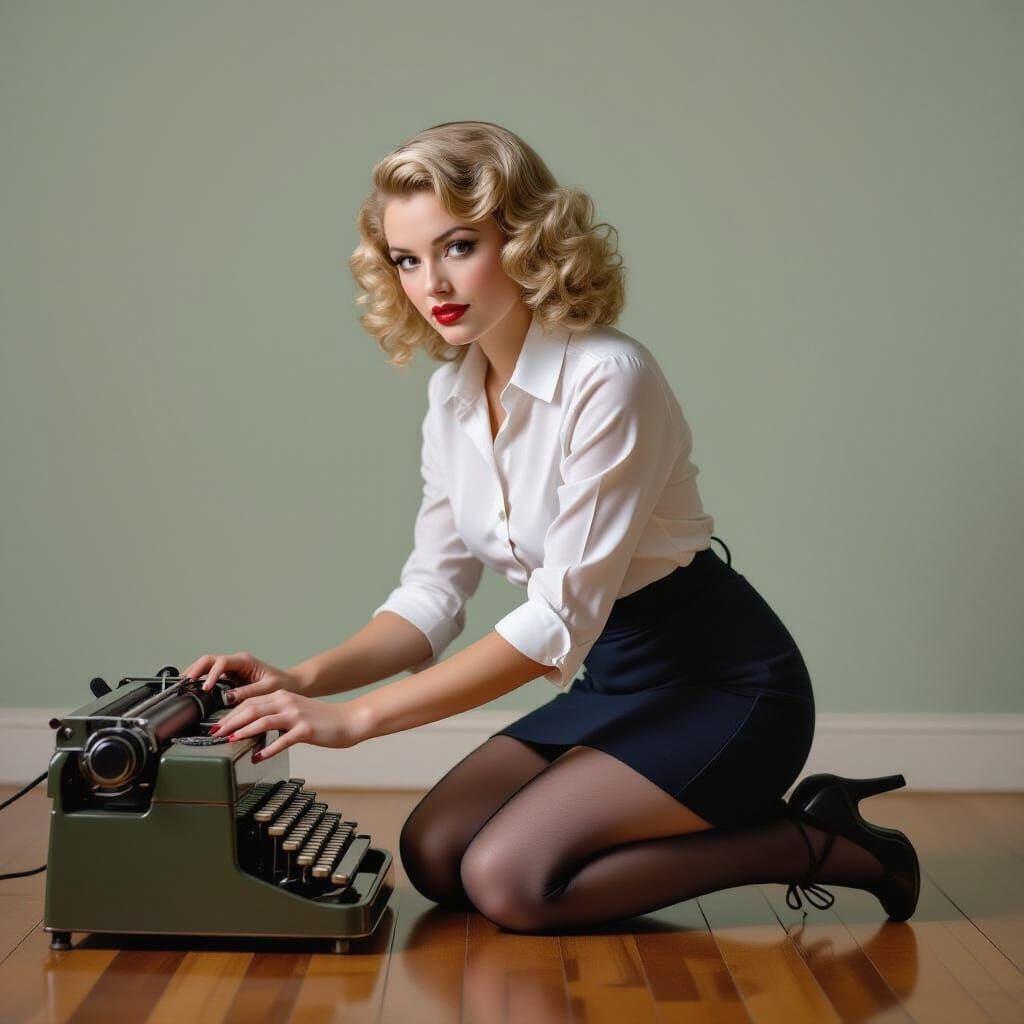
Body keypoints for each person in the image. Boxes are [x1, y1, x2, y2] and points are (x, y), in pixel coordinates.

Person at [182, 121, 919, 934]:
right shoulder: (453, 395)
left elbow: (556, 620)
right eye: (407, 258)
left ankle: (816, 841)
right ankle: (657, 823)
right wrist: (303, 679)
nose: (433, 282)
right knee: (434, 853)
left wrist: (359, 721)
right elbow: (431, 594)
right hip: (613, 680)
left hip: (727, 686)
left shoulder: (609, 377)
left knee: (510, 882)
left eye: (458, 245)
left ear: (523, 238)